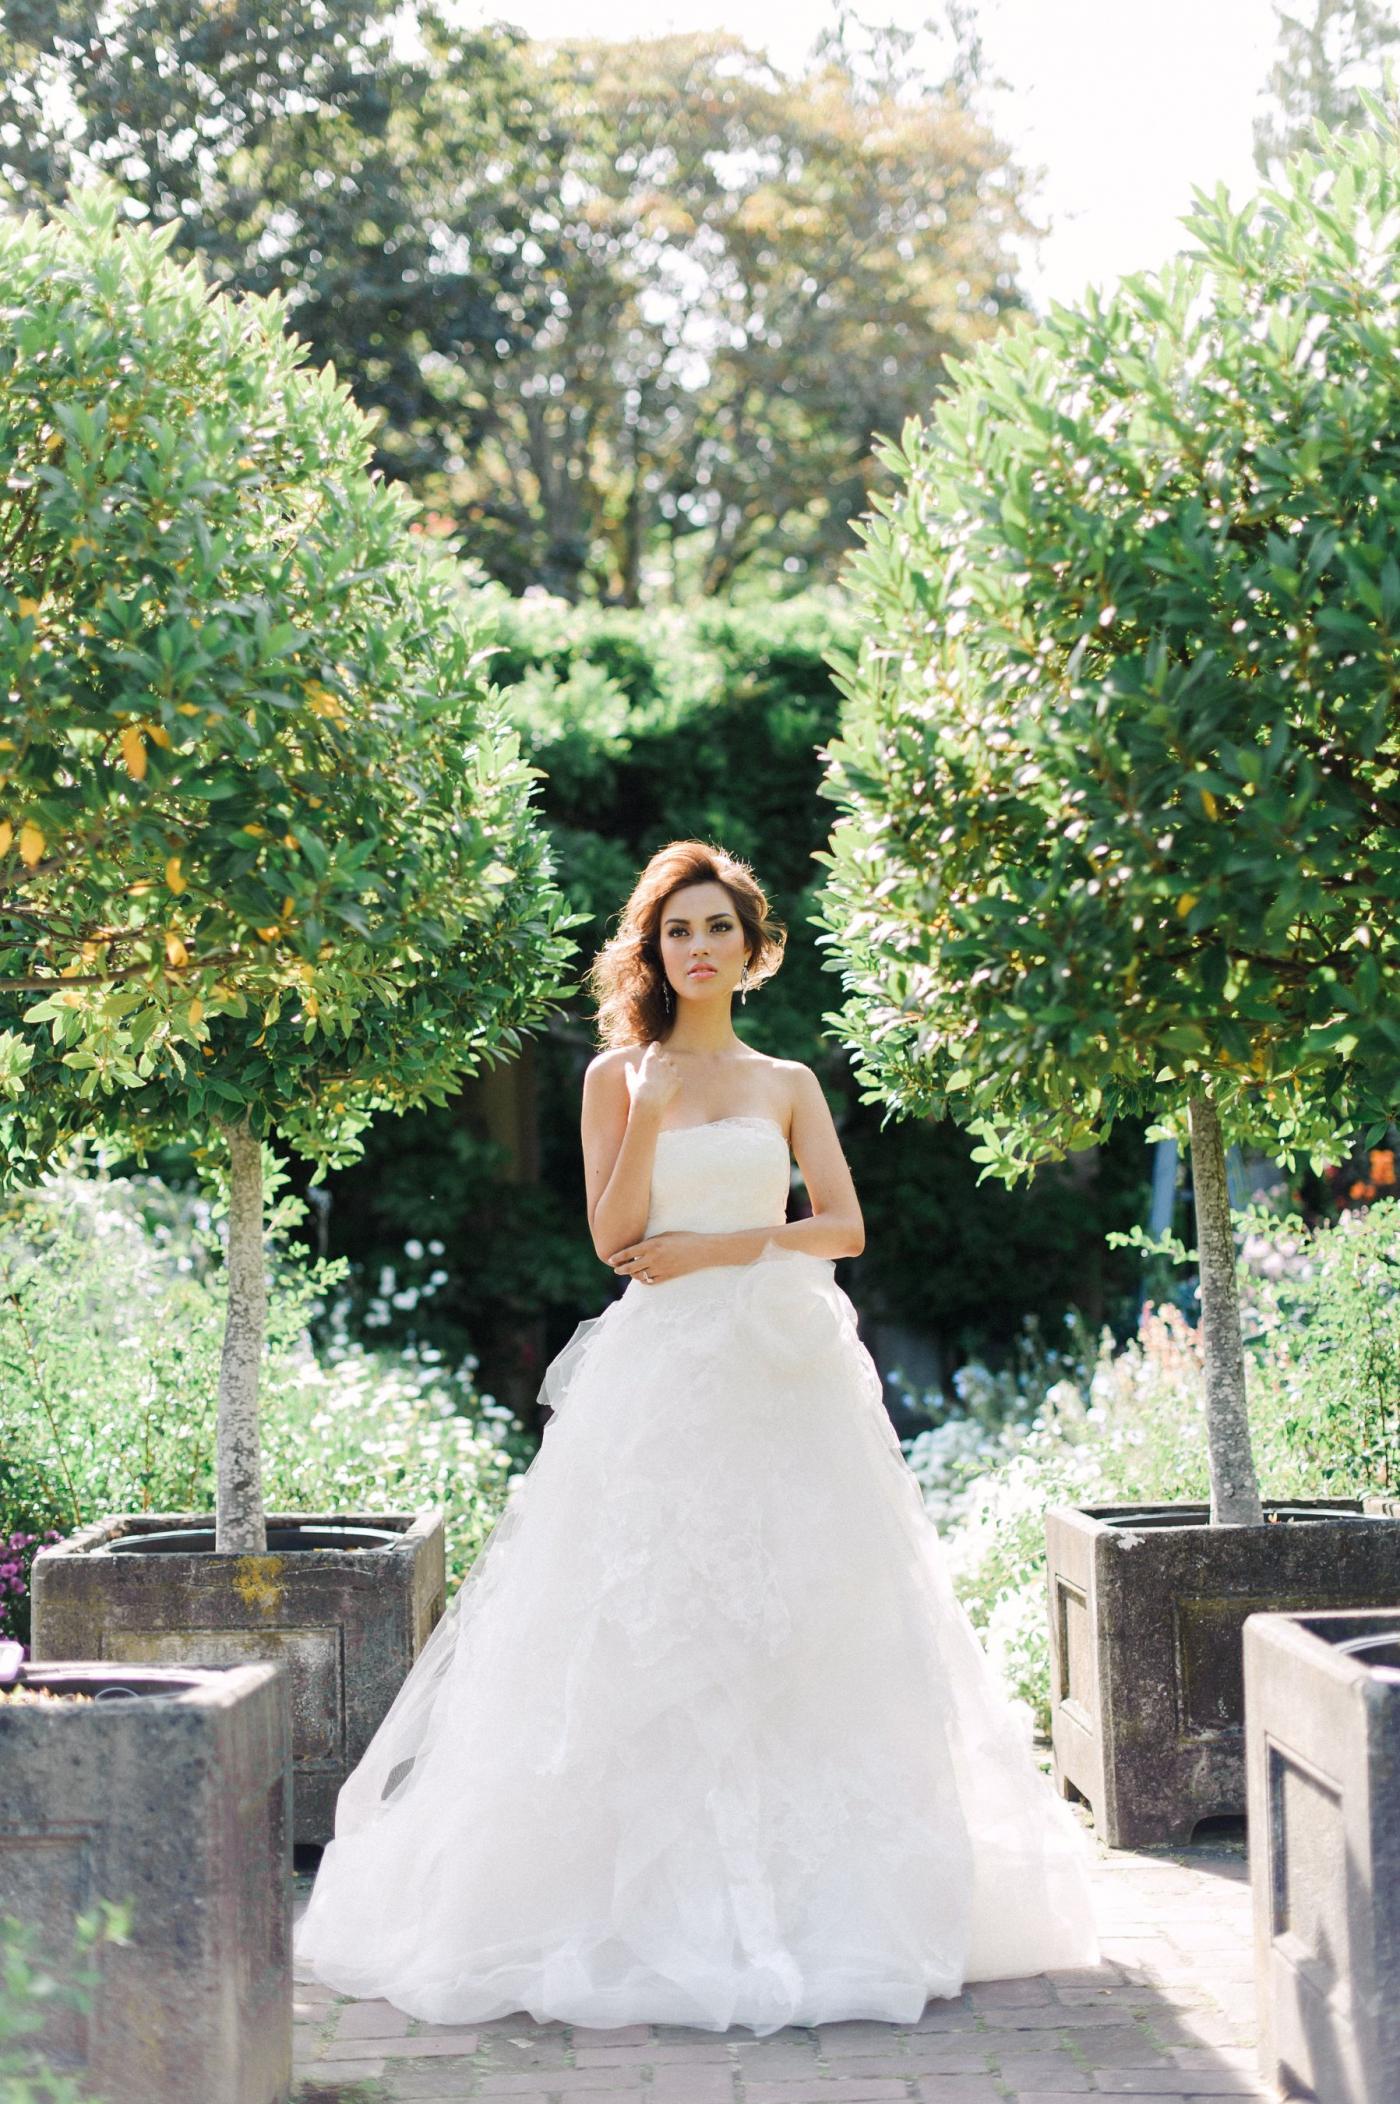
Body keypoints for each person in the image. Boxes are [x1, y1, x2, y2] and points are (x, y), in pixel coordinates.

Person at [293, 838, 1100, 2034]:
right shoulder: (616, 1077)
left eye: (719, 926)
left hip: (782, 1362)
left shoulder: (786, 1081)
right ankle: (630, 1903)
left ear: (753, 945)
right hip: (661, 1368)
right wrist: (654, 1106)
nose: (700, 946)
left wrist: (728, 1246)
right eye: (679, 930)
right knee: (641, 1610)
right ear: (654, 951)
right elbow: (614, 1239)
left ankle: (820, 1893)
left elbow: (840, 1226)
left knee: (806, 1607)